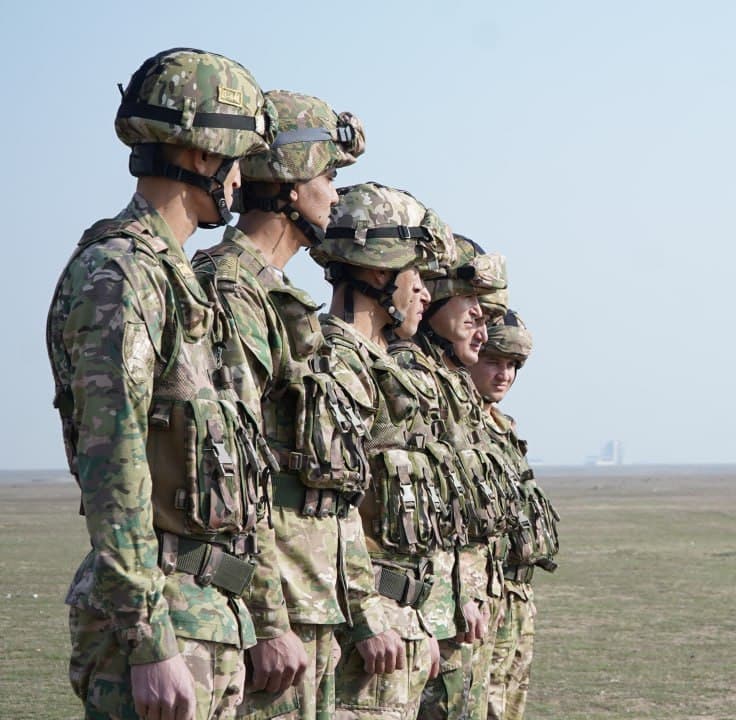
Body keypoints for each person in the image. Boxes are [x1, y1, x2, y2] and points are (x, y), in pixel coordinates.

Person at [46, 47, 282, 720]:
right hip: (161, 630)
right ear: (205, 157)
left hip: (208, 622)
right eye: (236, 160)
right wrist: (149, 642)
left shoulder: (177, 280)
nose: (241, 180)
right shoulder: (122, 276)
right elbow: (114, 466)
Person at [192, 91, 401, 720]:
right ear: (287, 186)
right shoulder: (234, 292)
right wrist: (264, 615)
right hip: (271, 615)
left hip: (310, 608)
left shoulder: (280, 301)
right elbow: (237, 469)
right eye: (328, 177)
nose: (336, 196)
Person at [311, 182, 456, 719]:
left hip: (403, 623)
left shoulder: (382, 369)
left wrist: (423, 620)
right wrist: (367, 612)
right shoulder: (334, 364)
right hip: (363, 633)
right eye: (416, 279)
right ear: (378, 273)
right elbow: (327, 506)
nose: (423, 296)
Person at [388, 237, 509, 720]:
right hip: (420, 612)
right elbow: (396, 510)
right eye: (471, 304)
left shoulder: (448, 383)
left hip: (452, 609)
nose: (482, 322)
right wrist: (431, 616)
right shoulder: (405, 374)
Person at [468, 310, 559, 720]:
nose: (503, 374)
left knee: (507, 706)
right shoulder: (460, 427)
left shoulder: (503, 428)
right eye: (493, 362)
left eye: (512, 366)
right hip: (484, 596)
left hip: (518, 596)